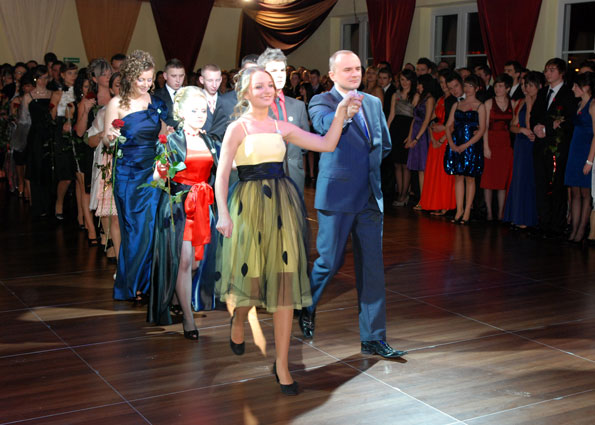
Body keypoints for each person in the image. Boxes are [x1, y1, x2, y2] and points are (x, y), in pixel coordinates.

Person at [214, 66, 355, 395]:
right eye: (259, 86)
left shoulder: (282, 126)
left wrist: (340, 114)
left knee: (284, 284)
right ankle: (239, 319)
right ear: (245, 93)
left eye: (270, 85)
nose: (267, 90)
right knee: (250, 279)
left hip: (281, 210)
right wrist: (223, 213)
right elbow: (222, 174)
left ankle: (282, 365)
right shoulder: (237, 127)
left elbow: (327, 144)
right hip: (248, 208)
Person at [300, 50, 406, 360]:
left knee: (372, 268)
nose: (354, 73)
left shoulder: (373, 102)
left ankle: (373, 337)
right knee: (330, 261)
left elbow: (383, 144)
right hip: (338, 196)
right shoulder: (322, 101)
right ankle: (306, 303)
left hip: (370, 197)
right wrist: (343, 114)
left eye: (358, 68)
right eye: (347, 69)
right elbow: (323, 128)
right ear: (332, 74)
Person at [149, 87, 219, 337]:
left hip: (202, 206)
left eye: (203, 111)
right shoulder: (171, 140)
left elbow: (224, 167)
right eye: (194, 110)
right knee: (185, 260)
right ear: (181, 112)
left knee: (196, 263)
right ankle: (188, 319)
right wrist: (162, 169)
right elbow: (157, 177)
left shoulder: (210, 140)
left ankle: (177, 297)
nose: (200, 115)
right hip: (178, 207)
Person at [104, 50, 168, 301]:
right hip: (128, 173)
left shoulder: (156, 102)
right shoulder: (117, 104)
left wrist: (163, 165)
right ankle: (131, 285)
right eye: (141, 79)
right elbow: (108, 141)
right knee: (135, 229)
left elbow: (164, 136)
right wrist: (111, 138)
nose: (146, 84)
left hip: (153, 172)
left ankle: (148, 283)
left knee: (152, 227)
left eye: (149, 79)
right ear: (130, 77)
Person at [531, 58, 579, 238]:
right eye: (546, 70)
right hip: (540, 145)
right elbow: (534, 114)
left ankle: (556, 225)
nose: (547, 73)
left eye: (552, 70)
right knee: (541, 185)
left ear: (561, 73)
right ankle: (543, 222)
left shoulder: (568, 94)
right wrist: (536, 127)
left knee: (557, 186)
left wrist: (548, 129)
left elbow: (568, 121)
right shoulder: (543, 92)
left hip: (557, 147)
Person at [258, 48, 310, 193]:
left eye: (282, 70)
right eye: (274, 71)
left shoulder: (298, 106)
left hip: (294, 178)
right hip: (264, 180)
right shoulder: (253, 106)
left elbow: (305, 145)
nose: (280, 75)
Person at [444, 74, 487, 224]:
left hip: (471, 145)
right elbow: (448, 126)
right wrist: (451, 143)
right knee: (458, 177)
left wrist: (465, 145)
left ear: (477, 88)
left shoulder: (480, 106)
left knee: (470, 178)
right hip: (456, 143)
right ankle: (459, 209)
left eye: (471, 86)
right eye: (466, 86)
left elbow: (482, 130)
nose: (468, 89)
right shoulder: (457, 105)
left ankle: (468, 210)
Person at [503, 72, 542, 229]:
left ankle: (526, 217)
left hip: (531, 143)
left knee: (528, 179)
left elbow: (530, 123)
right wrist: (520, 130)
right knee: (518, 178)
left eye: (529, 85)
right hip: (521, 142)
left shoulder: (539, 102)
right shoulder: (520, 102)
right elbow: (512, 126)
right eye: (524, 85)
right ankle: (517, 215)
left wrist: (530, 104)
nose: (526, 88)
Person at [563, 72, 594, 242]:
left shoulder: (593, 105)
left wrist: (589, 160)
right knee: (574, 191)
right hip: (574, 150)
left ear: (586, 87)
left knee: (585, 193)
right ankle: (573, 229)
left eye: (576, 86)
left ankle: (581, 231)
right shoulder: (578, 104)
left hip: (586, 151)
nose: (573, 88)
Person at [419, 70, 456, 214]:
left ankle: (445, 205)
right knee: (435, 172)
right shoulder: (440, 99)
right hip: (435, 137)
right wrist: (432, 134)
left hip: (445, 138)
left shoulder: (453, 100)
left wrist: (441, 138)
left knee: (444, 173)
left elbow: (452, 124)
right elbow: (431, 118)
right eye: (441, 82)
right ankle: (436, 203)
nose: (443, 85)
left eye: (446, 82)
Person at [481, 74, 514, 221]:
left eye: (501, 86)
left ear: (508, 88)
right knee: (488, 180)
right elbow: (484, 127)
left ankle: (501, 212)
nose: (497, 89)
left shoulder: (513, 103)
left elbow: (513, 124)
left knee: (502, 180)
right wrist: (486, 147)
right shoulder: (489, 103)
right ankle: (489, 212)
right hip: (491, 141)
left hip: (505, 143)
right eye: (496, 86)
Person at [49, 62, 78, 221]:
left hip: (78, 132)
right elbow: (51, 118)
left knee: (79, 175)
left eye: (75, 73)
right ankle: (59, 202)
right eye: (69, 73)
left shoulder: (80, 92)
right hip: (62, 134)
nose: (73, 77)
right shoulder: (57, 94)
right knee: (65, 174)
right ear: (62, 75)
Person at [24, 66, 52, 216]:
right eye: (40, 78)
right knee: (36, 168)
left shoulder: (52, 94)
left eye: (46, 78)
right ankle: (37, 205)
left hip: (49, 134)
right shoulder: (28, 96)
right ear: (35, 79)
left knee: (48, 168)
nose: (43, 81)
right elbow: (24, 120)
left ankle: (48, 204)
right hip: (35, 135)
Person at [387, 69, 416, 206]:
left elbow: (416, 117)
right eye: (402, 79)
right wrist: (386, 131)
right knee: (397, 164)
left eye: (407, 80)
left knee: (406, 164)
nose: (404, 82)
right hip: (396, 128)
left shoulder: (415, 95)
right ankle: (400, 193)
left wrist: (411, 135)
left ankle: (405, 194)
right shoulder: (395, 94)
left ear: (412, 81)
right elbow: (391, 114)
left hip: (408, 128)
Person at [406, 74, 435, 208]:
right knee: (418, 169)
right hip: (416, 131)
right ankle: (421, 198)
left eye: (419, 84)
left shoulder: (430, 99)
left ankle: (424, 200)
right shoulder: (421, 98)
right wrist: (410, 136)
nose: (417, 86)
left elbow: (427, 120)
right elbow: (414, 118)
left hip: (423, 135)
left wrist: (417, 138)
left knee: (423, 168)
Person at [153, 58, 185, 128]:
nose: (178, 80)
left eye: (181, 76)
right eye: (174, 76)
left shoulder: (191, 94)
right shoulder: (155, 96)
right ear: (165, 76)